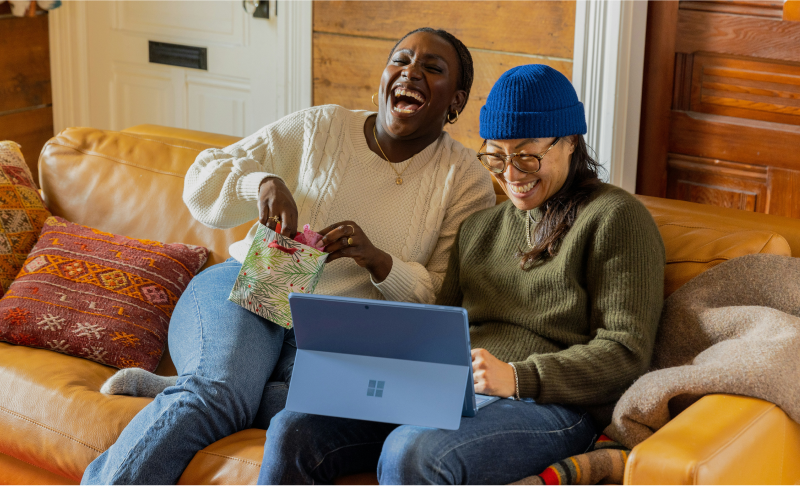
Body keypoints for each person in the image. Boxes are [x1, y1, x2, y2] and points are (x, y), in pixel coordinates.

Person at [81, 27, 495, 486]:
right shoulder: (322, 127)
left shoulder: (466, 181)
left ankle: (201, 386)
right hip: (250, 284)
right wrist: (261, 183)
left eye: (432, 69)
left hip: (339, 334)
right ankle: (209, 391)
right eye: (401, 60)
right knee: (218, 393)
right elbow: (202, 177)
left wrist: (379, 261)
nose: (411, 72)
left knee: (311, 408)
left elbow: (444, 297)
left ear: (455, 101)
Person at [258, 64, 666, 485]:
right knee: (294, 428)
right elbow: (439, 331)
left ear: (569, 143)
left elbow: (626, 352)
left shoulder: (616, 218)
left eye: (527, 156)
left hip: (553, 405)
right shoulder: (479, 229)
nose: (511, 175)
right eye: (496, 157)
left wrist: (520, 377)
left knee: (412, 451)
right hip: (453, 393)